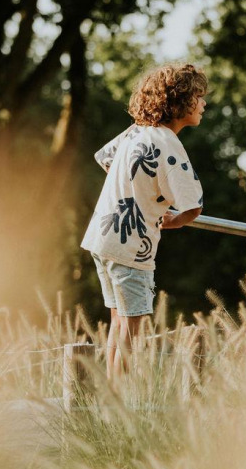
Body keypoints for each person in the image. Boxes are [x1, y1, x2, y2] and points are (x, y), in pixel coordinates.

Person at [81, 63, 207, 379]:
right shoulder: (169, 144)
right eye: (199, 97)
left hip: (103, 235)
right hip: (132, 247)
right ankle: (118, 403)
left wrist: (139, 191)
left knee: (118, 322)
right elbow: (193, 204)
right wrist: (175, 221)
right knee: (132, 327)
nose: (204, 104)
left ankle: (110, 398)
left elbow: (106, 160)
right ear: (180, 103)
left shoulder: (137, 131)